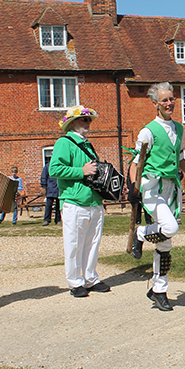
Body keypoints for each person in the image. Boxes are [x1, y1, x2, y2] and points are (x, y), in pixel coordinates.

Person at [128, 83, 185, 311]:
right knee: (169, 228)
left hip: (172, 187)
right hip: (152, 186)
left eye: (172, 99)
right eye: (165, 100)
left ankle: (158, 290)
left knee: (165, 244)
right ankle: (140, 233)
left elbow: (179, 159)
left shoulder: (179, 128)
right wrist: (132, 188)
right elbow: (136, 162)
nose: (170, 103)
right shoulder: (148, 131)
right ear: (155, 103)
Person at [49, 105, 111, 298]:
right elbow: (54, 169)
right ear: (73, 123)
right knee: (74, 243)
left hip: (93, 201)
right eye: (85, 120)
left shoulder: (87, 144)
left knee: (93, 242)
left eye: (89, 120)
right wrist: (80, 171)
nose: (88, 123)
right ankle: (75, 281)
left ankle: (91, 278)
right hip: (74, 201)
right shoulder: (64, 142)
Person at [40, 160, 61, 226]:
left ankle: (58, 220)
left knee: (58, 206)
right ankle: (47, 220)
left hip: (59, 188)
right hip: (50, 189)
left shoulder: (60, 165)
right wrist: (44, 187)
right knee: (48, 205)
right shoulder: (48, 166)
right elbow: (44, 177)